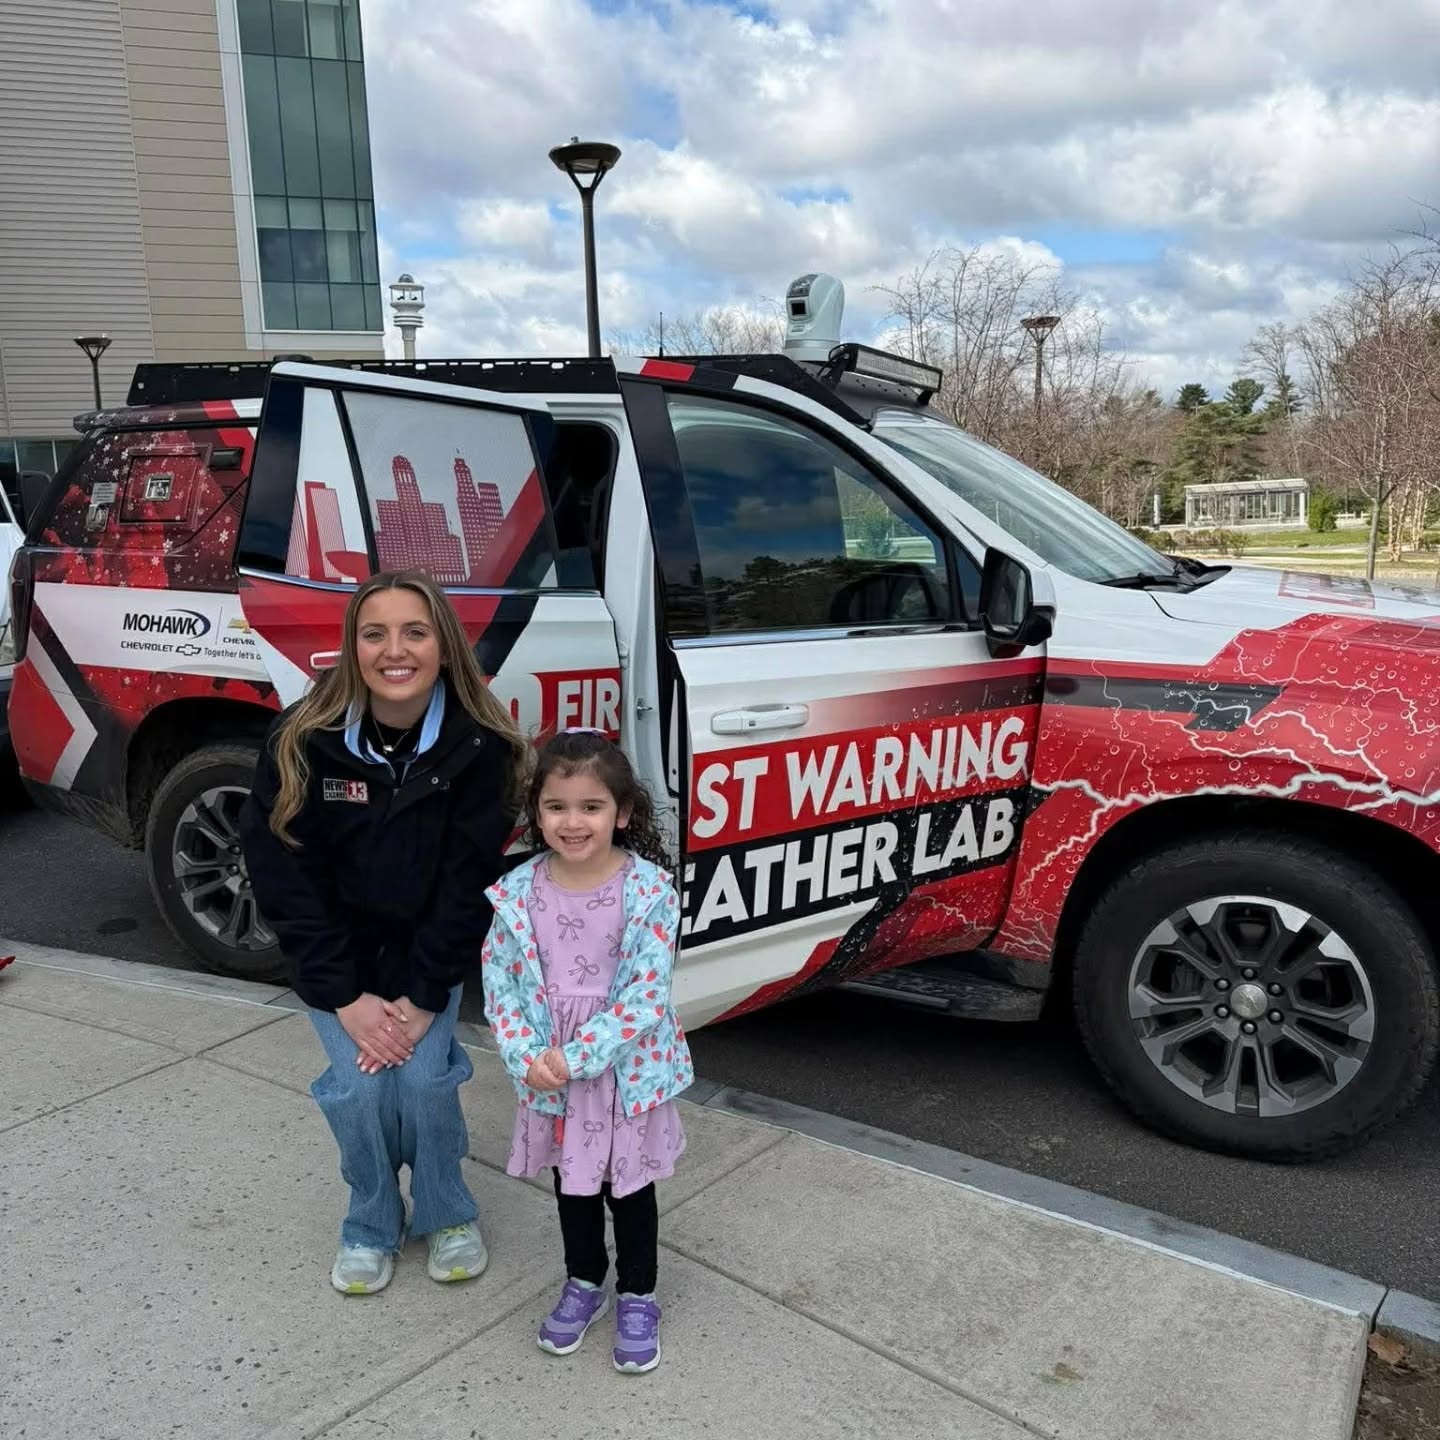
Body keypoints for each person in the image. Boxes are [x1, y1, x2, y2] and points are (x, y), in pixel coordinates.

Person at [239, 570, 525, 1296]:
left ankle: (447, 1211)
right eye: (375, 633)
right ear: (352, 646)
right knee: (363, 1094)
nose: (394, 651)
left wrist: (427, 994)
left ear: (443, 647)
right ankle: (370, 1221)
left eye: (414, 632)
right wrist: (345, 997)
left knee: (425, 1081)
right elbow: (282, 878)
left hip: (423, 961)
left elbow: (470, 887)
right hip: (340, 964)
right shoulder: (302, 739)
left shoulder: (482, 747)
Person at [482, 730, 693, 1374]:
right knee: (571, 1189)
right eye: (556, 807)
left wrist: (579, 1055)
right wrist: (527, 1055)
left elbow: (644, 995)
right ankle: (584, 1281)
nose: (572, 822)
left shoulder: (650, 891)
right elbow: (500, 982)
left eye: (591, 807)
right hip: (551, 1072)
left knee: (629, 1192)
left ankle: (638, 1294)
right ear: (535, 812)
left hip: (622, 1075)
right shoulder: (517, 893)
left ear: (622, 813)